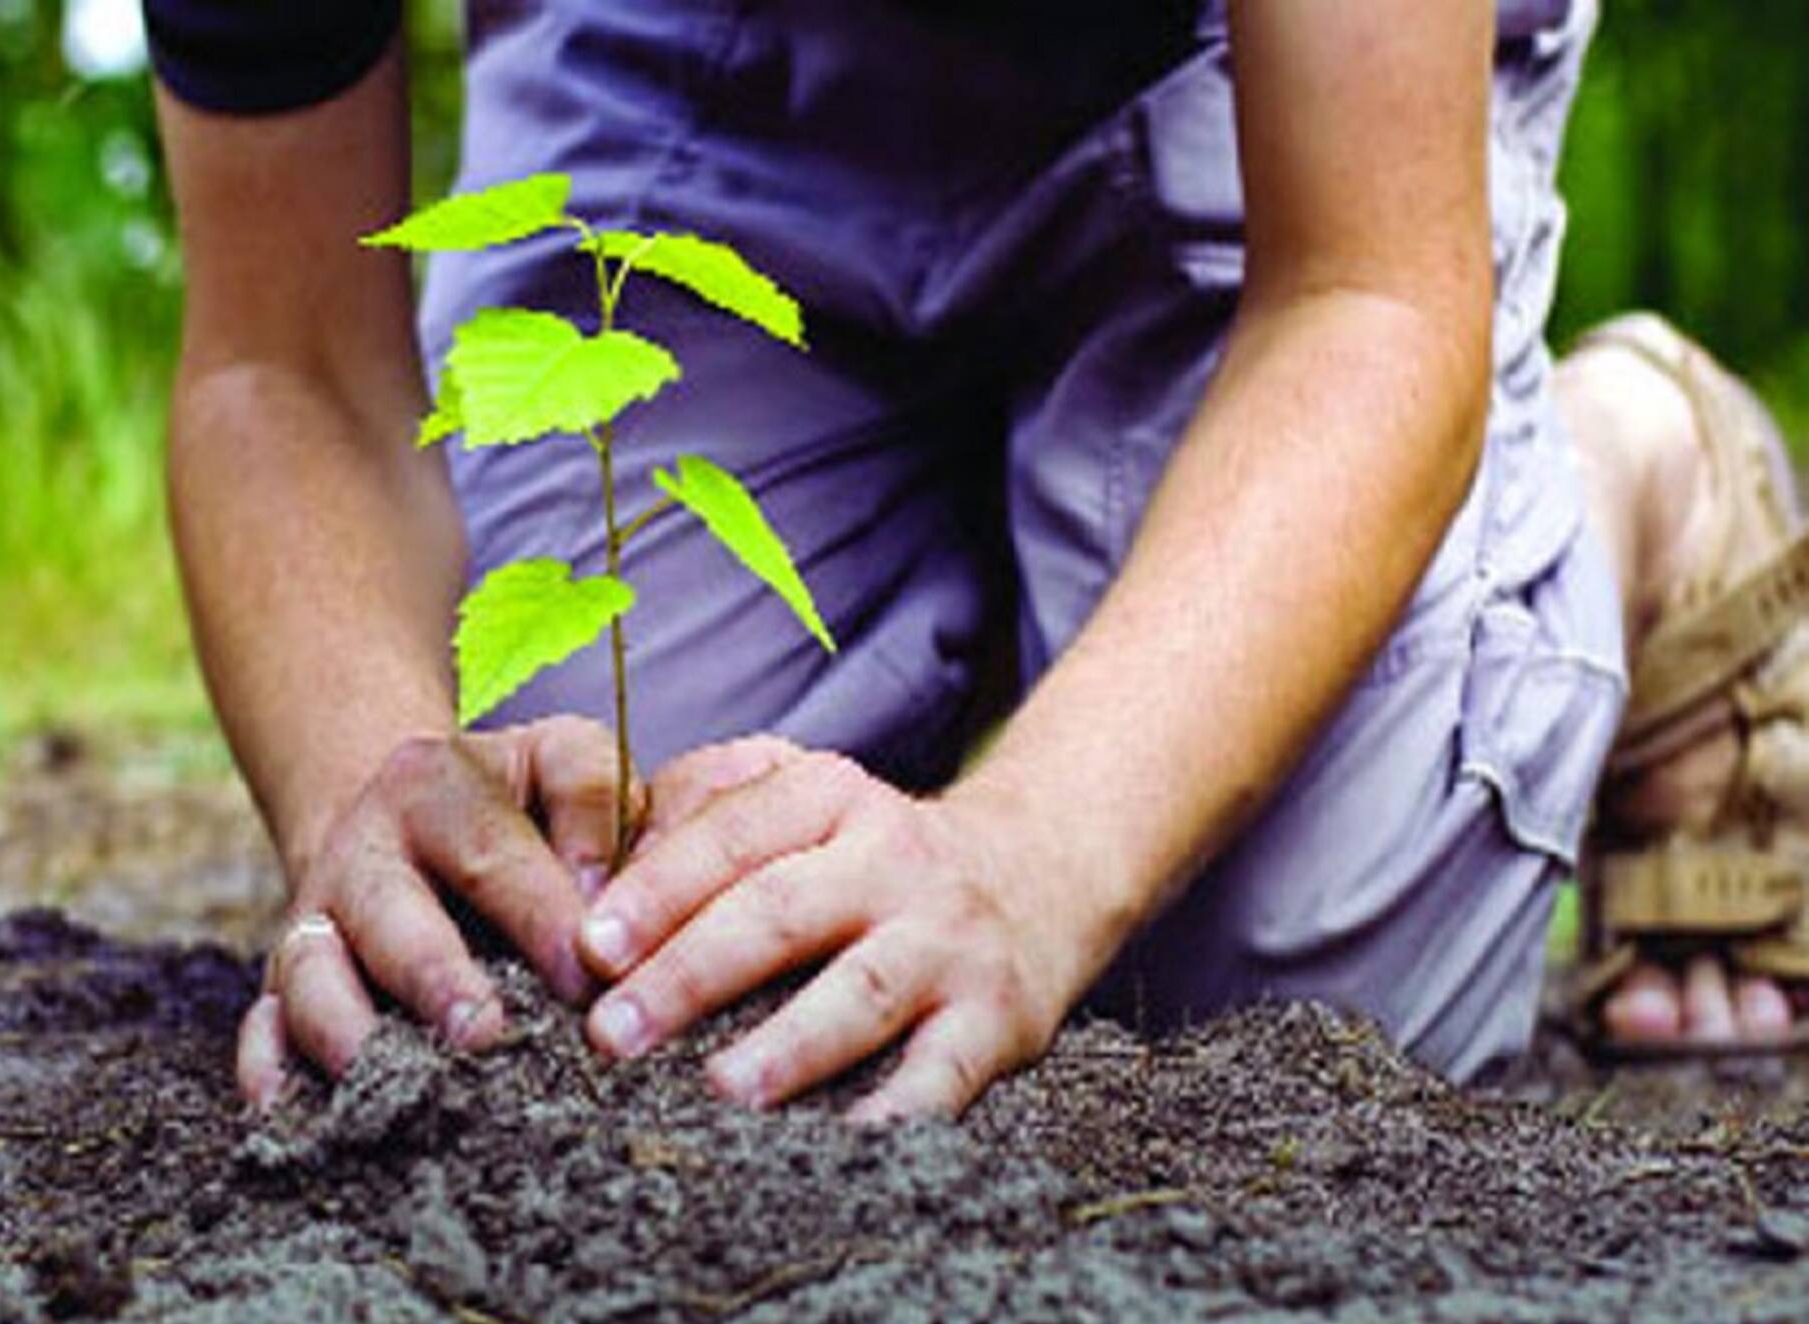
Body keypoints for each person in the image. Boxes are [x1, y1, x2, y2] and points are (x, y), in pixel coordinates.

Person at [144, 0, 1805, 1119]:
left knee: (1265, 1017)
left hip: (1270, 74)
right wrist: (371, 790)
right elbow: (279, 364)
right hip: (692, 47)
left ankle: (1629, 471)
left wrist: (1033, 859)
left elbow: (1366, 294)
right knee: (578, 923)